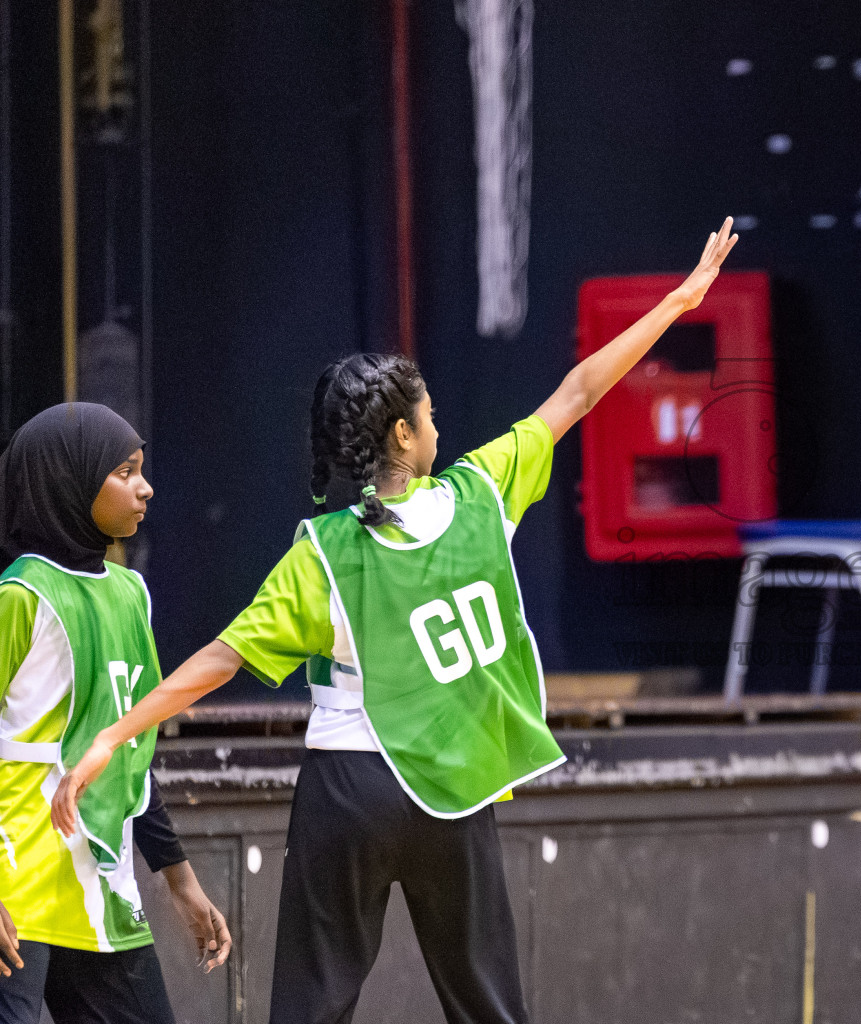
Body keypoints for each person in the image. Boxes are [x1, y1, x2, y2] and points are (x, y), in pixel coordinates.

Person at [53, 219, 739, 1024]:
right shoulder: (481, 493)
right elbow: (582, 390)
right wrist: (682, 299)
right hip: (451, 786)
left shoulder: (324, 551)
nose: (443, 429)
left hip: (348, 791)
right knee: (489, 1007)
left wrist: (112, 736)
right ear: (406, 436)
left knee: (311, 1007)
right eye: (432, 416)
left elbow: (220, 659)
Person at [0, 403, 231, 1024]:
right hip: (14, 883)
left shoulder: (130, 594)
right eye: (125, 471)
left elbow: (133, 753)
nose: (145, 486)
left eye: (142, 470)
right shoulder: (20, 596)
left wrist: (179, 878)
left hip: (98, 880)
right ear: (68, 481)